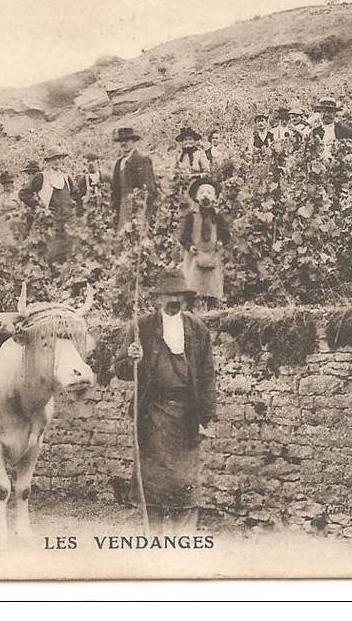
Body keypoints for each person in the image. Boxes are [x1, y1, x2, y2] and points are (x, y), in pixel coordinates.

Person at [113, 268, 217, 534]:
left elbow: (207, 376)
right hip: (152, 415)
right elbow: (121, 368)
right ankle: (154, 539)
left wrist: (207, 417)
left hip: (186, 417)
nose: (174, 300)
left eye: (178, 295)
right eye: (169, 295)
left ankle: (184, 540)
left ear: (184, 298)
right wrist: (131, 358)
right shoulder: (142, 327)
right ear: (159, 298)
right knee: (153, 483)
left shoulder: (197, 329)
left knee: (186, 483)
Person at [180, 177, 231, 310]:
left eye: (209, 192)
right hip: (195, 255)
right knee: (193, 284)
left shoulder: (218, 216)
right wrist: (189, 245)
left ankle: (212, 308)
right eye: (202, 192)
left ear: (214, 197)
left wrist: (221, 241)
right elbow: (183, 235)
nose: (205, 195)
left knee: (212, 285)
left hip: (212, 255)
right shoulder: (191, 216)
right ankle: (192, 309)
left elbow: (225, 233)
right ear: (196, 197)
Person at [110, 126, 158, 229]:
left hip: (138, 207)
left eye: (127, 140)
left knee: (137, 236)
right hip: (123, 207)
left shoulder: (142, 160)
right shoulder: (119, 162)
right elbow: (115, 188)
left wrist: (143, 210)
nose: (124, 143)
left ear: (133, 141)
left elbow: (149, 187)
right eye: (121, 141)